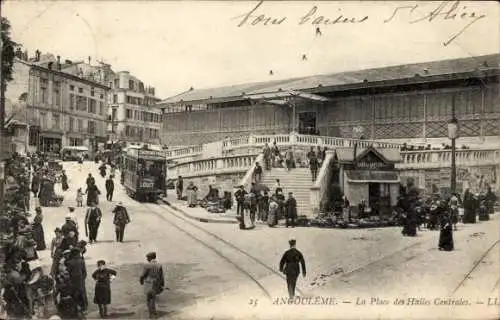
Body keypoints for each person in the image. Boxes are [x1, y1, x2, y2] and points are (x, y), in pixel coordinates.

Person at [139, 252, 165, 319]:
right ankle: (153, 311)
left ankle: (151, 314)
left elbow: (142, 275)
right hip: (156, 283)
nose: (147, 259)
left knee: (148, 299)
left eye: (147, 258)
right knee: (153, 298)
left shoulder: (146, 265)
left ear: (150, 258)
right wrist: (162, 285)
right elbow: (161, 276)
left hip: (148, 283)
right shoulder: (159, 265)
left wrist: (141, 281)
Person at [65, 248, 87, 315]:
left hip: (72, 282)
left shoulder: (69, 262)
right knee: (82, 295)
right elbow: (85, 273)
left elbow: (67, 272)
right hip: (80, 282)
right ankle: (83, 308)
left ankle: (75, 309)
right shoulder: (81, 261)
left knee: (74, 296)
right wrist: (82, 280)